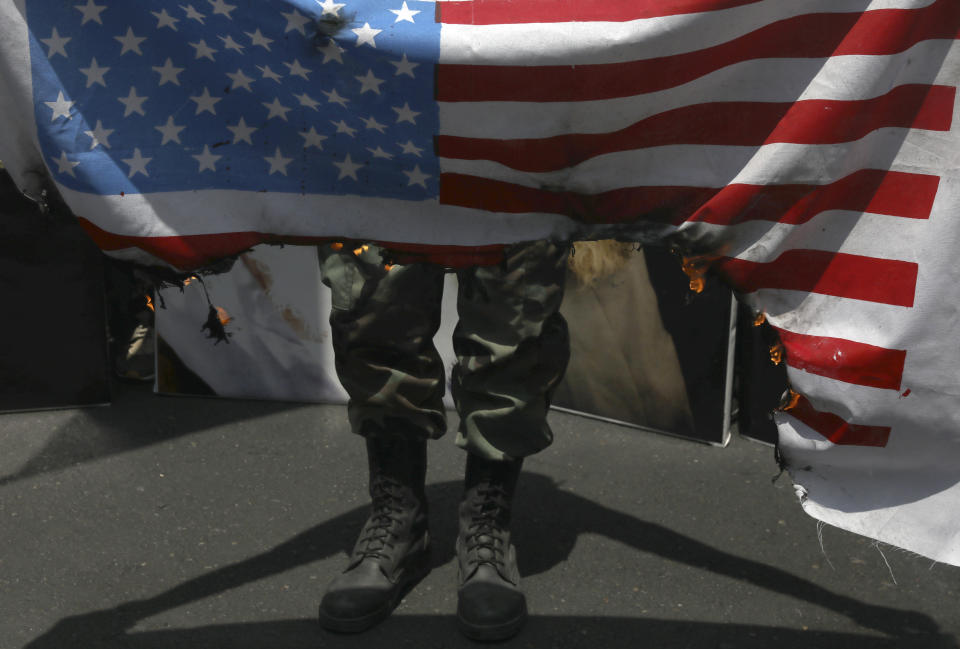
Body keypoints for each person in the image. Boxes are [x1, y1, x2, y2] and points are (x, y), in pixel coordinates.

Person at [315, 239, 570, 641]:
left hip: (515, 176)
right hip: (383, 178)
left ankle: (486, 530)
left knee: (513, 321)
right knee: (375, 312)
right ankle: (399, 523)